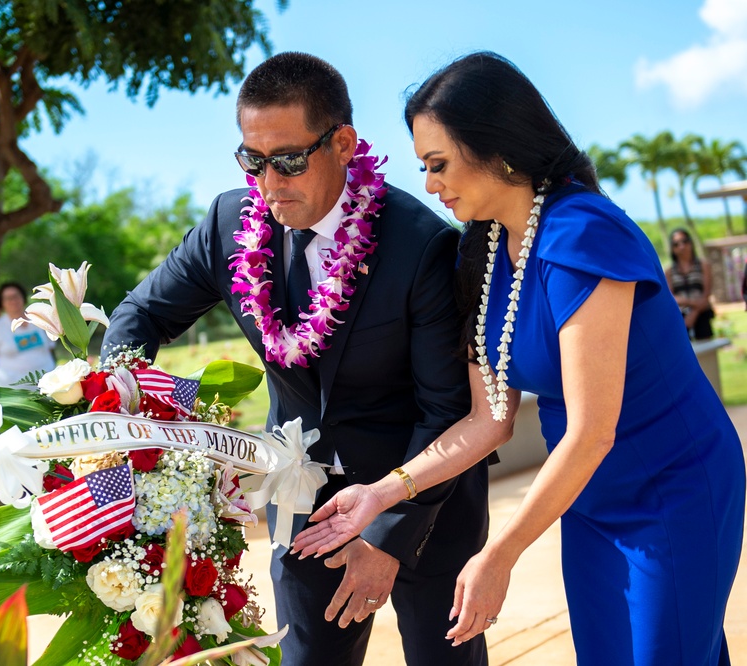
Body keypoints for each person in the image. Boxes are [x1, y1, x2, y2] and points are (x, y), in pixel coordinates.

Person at [292, 52, 745, 666]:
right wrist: (382, 492)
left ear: (495, 148)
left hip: (672, 487)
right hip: (587, 500)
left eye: (439, 164)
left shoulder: (583, 232)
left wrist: (499, 552)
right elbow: (490, 419)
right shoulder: (478, 256)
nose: (430, 185)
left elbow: (591, 430)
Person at [102, 52, 491, 665]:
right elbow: (141, 315)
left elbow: (445, 408)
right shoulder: (228, 224)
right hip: (303, 497)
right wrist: (113, 398)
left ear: (342, 143)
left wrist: (385, 538)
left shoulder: (422, 244)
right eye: (251, 161)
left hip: (424, 501)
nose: (268, 182)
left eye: (287, 160)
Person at [0, 281, 56, 388]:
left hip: (48, 386)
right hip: (13, 390)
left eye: (16, 296)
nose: (13, 301)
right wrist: (10, 368)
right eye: (8, 298)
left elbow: (50, 346)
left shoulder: (40, 319)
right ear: (2, 303)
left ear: (23, 297)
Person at [665, 228, 714, 340]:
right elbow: (670, 297)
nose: (682, 246)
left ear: (690, 243)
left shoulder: (703, 265)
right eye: (676, 244)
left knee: (707, 353)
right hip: (680, 318)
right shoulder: (669, 271)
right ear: (672, 248)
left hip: (702, 315)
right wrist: (691, 302)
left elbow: (706, 294)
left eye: (684, 241)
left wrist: (694, 313)